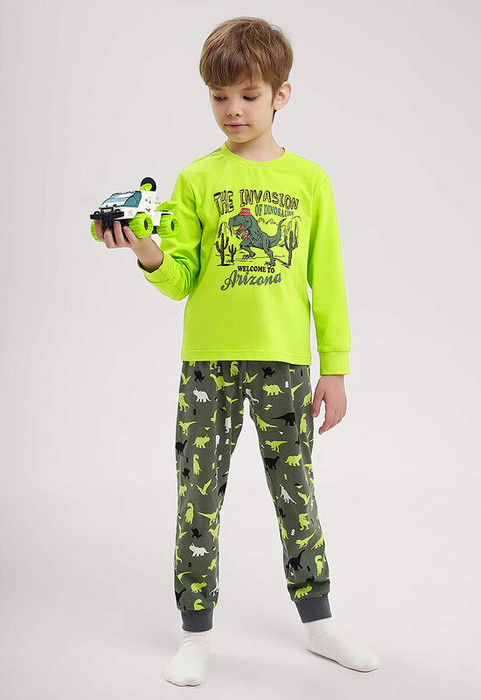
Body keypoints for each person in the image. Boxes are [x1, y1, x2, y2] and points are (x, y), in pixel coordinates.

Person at [94, 15, 379, 688]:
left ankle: (318, 623)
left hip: (285, 364)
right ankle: (196, 634)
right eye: (219, 96)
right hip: (208, 365)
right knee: (198, 497)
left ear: (281, 95)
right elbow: (180, 277)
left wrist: (335, 368)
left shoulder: (310, 181)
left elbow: (328, 280)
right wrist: (146, 250)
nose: (233, 110)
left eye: (248, 95)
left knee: (295, 493)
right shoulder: (196, 179)